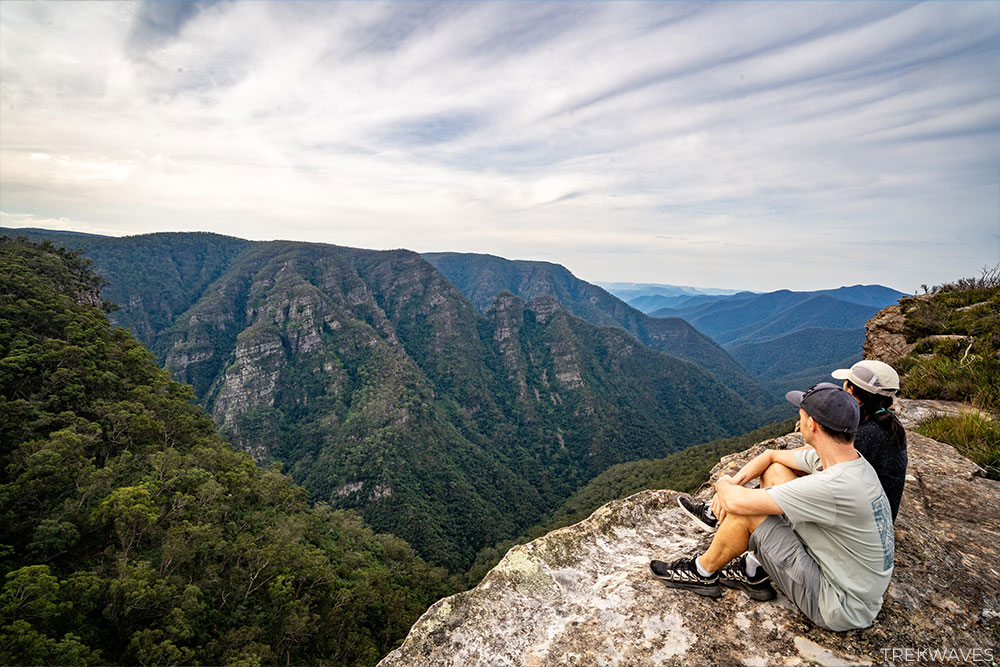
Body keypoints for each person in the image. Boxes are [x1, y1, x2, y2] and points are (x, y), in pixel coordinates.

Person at [651, 383, 895, 632]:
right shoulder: (848, 462)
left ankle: (702, 572)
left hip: (838, 605)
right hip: (853, 587)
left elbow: (735, 502)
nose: (798, 416)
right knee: (776, 472)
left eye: (801, 412)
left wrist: (724, 484)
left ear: (812, 424)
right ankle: (753, 568)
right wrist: (737, 482)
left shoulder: (833, 485)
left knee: (748, 512)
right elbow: (772, 457)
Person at [832, 360, 907, 521]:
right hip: (878, 514)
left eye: (845, 386)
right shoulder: (886, 421)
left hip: (864, 522)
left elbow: (829, 474)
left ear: (852, 392)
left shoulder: (866, 434)